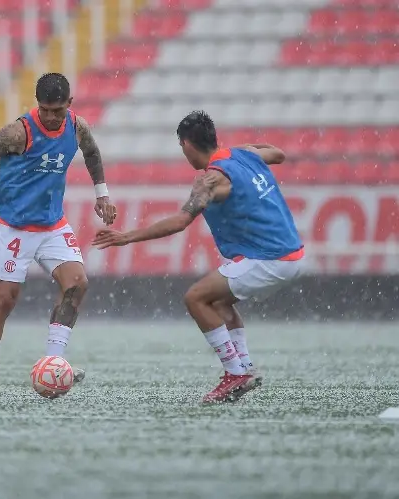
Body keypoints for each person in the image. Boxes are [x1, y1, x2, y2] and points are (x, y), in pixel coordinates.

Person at [92, 110, 305, 404]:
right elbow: (278, 154)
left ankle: (235, 373)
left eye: (182, 147)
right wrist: (244, 155)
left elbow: (180, 222)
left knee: (195, 298)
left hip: (270, 259)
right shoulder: (242, 154)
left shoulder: (210, 181)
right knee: (218, 301)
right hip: (291, 254)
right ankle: (245, 367)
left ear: (188, 145)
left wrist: (126, 237)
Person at [0, 73, 117, 400]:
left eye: (57, 111)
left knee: (77, 283)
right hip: (14, 228)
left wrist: (102, 194)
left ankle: (53, 362)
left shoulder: (77, 126)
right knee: (3, 301)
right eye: (45, 109)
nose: (50, 117)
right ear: (37, 105)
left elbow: (92, 153)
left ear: (69, 105)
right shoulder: (19, 132)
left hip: (52, 226)